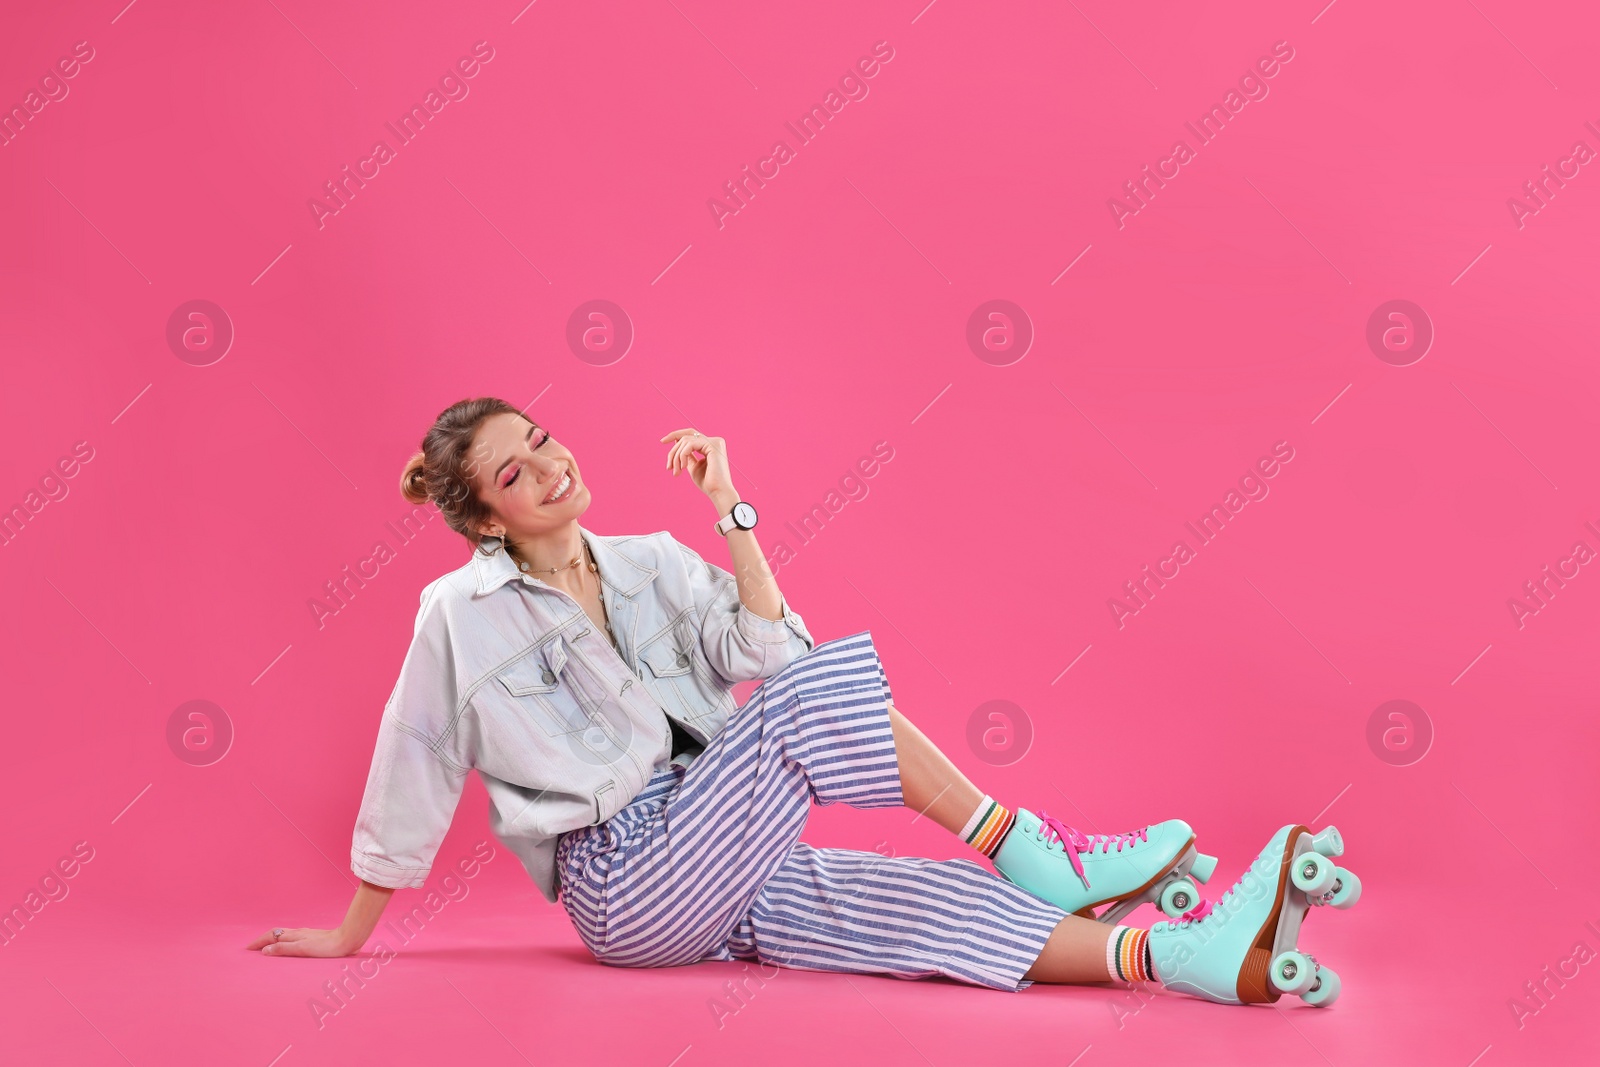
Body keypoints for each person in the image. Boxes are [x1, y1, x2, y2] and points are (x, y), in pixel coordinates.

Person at [247, 397, 1358, 1006]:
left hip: (719, 847)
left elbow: (764, 640)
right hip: (626, 880)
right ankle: (1025, 842)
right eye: (513, 473)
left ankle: (1182, 959)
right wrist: (353, 931)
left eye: (540, 441)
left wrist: (732, 510)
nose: (547, 467)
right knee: (805, 697)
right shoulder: (459, 610)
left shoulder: (644, 557)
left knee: (914, 904)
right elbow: (416, 750)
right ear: (486, 519)